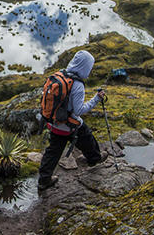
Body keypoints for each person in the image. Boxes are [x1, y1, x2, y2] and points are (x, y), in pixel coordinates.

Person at [38, 50, 108, 191]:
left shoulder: (60, 75)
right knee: (86, 135)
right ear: (85, 67)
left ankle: (44, 180)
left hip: (53, 122)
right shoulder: (77, 85)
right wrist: (96, 99)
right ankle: (94, 159)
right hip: (68, 125)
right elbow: (79, 110)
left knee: (53, 152)